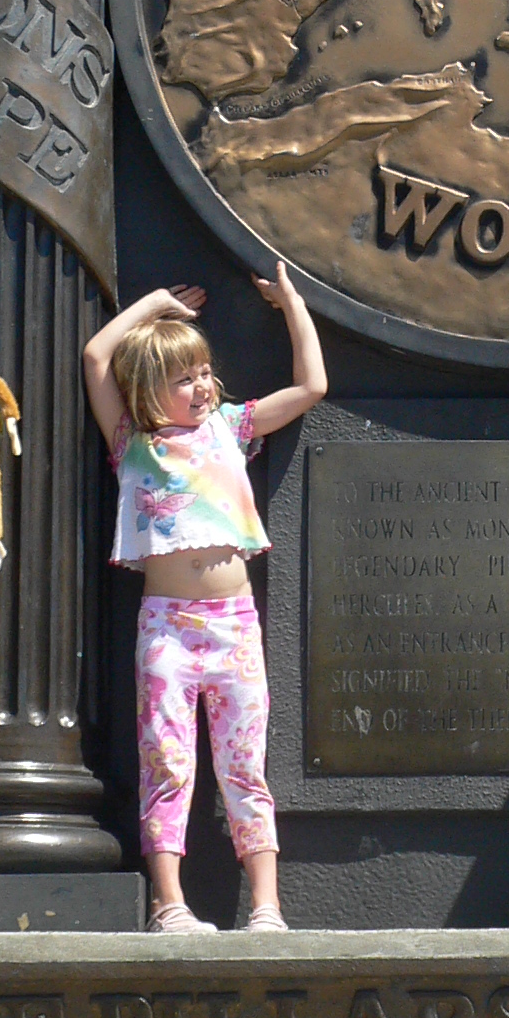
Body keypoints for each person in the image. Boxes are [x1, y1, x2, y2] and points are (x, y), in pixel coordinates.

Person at [83, 260, 327, 936]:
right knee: (167, 763)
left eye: (204, 373)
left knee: (245, 767)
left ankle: (267, 907)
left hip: (234, 625)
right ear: (148, 389)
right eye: (184, 378)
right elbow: (97, 355)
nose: (202, 386)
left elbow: (312, 386)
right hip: (166, 626)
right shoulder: (132, 442)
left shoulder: (229, 426)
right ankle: (170, 905)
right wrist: (157, 302)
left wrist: (292, 304)